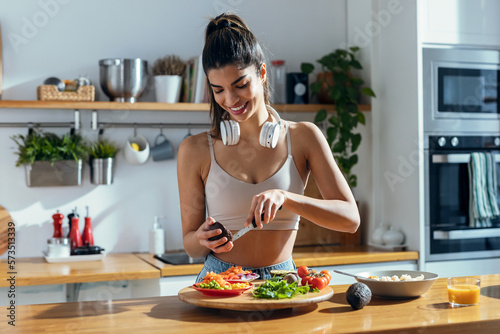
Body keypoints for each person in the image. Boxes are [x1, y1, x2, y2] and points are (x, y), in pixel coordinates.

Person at [177, 13, 360, 282]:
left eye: (241, 85)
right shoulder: (194, 150)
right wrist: (202, 239)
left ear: (261, 74)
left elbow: (350, 219)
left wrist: (286, 198)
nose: (230, 99)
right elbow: (190, 244)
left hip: (282, 281)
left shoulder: (304, 137)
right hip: (221, 281)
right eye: (218, 90)